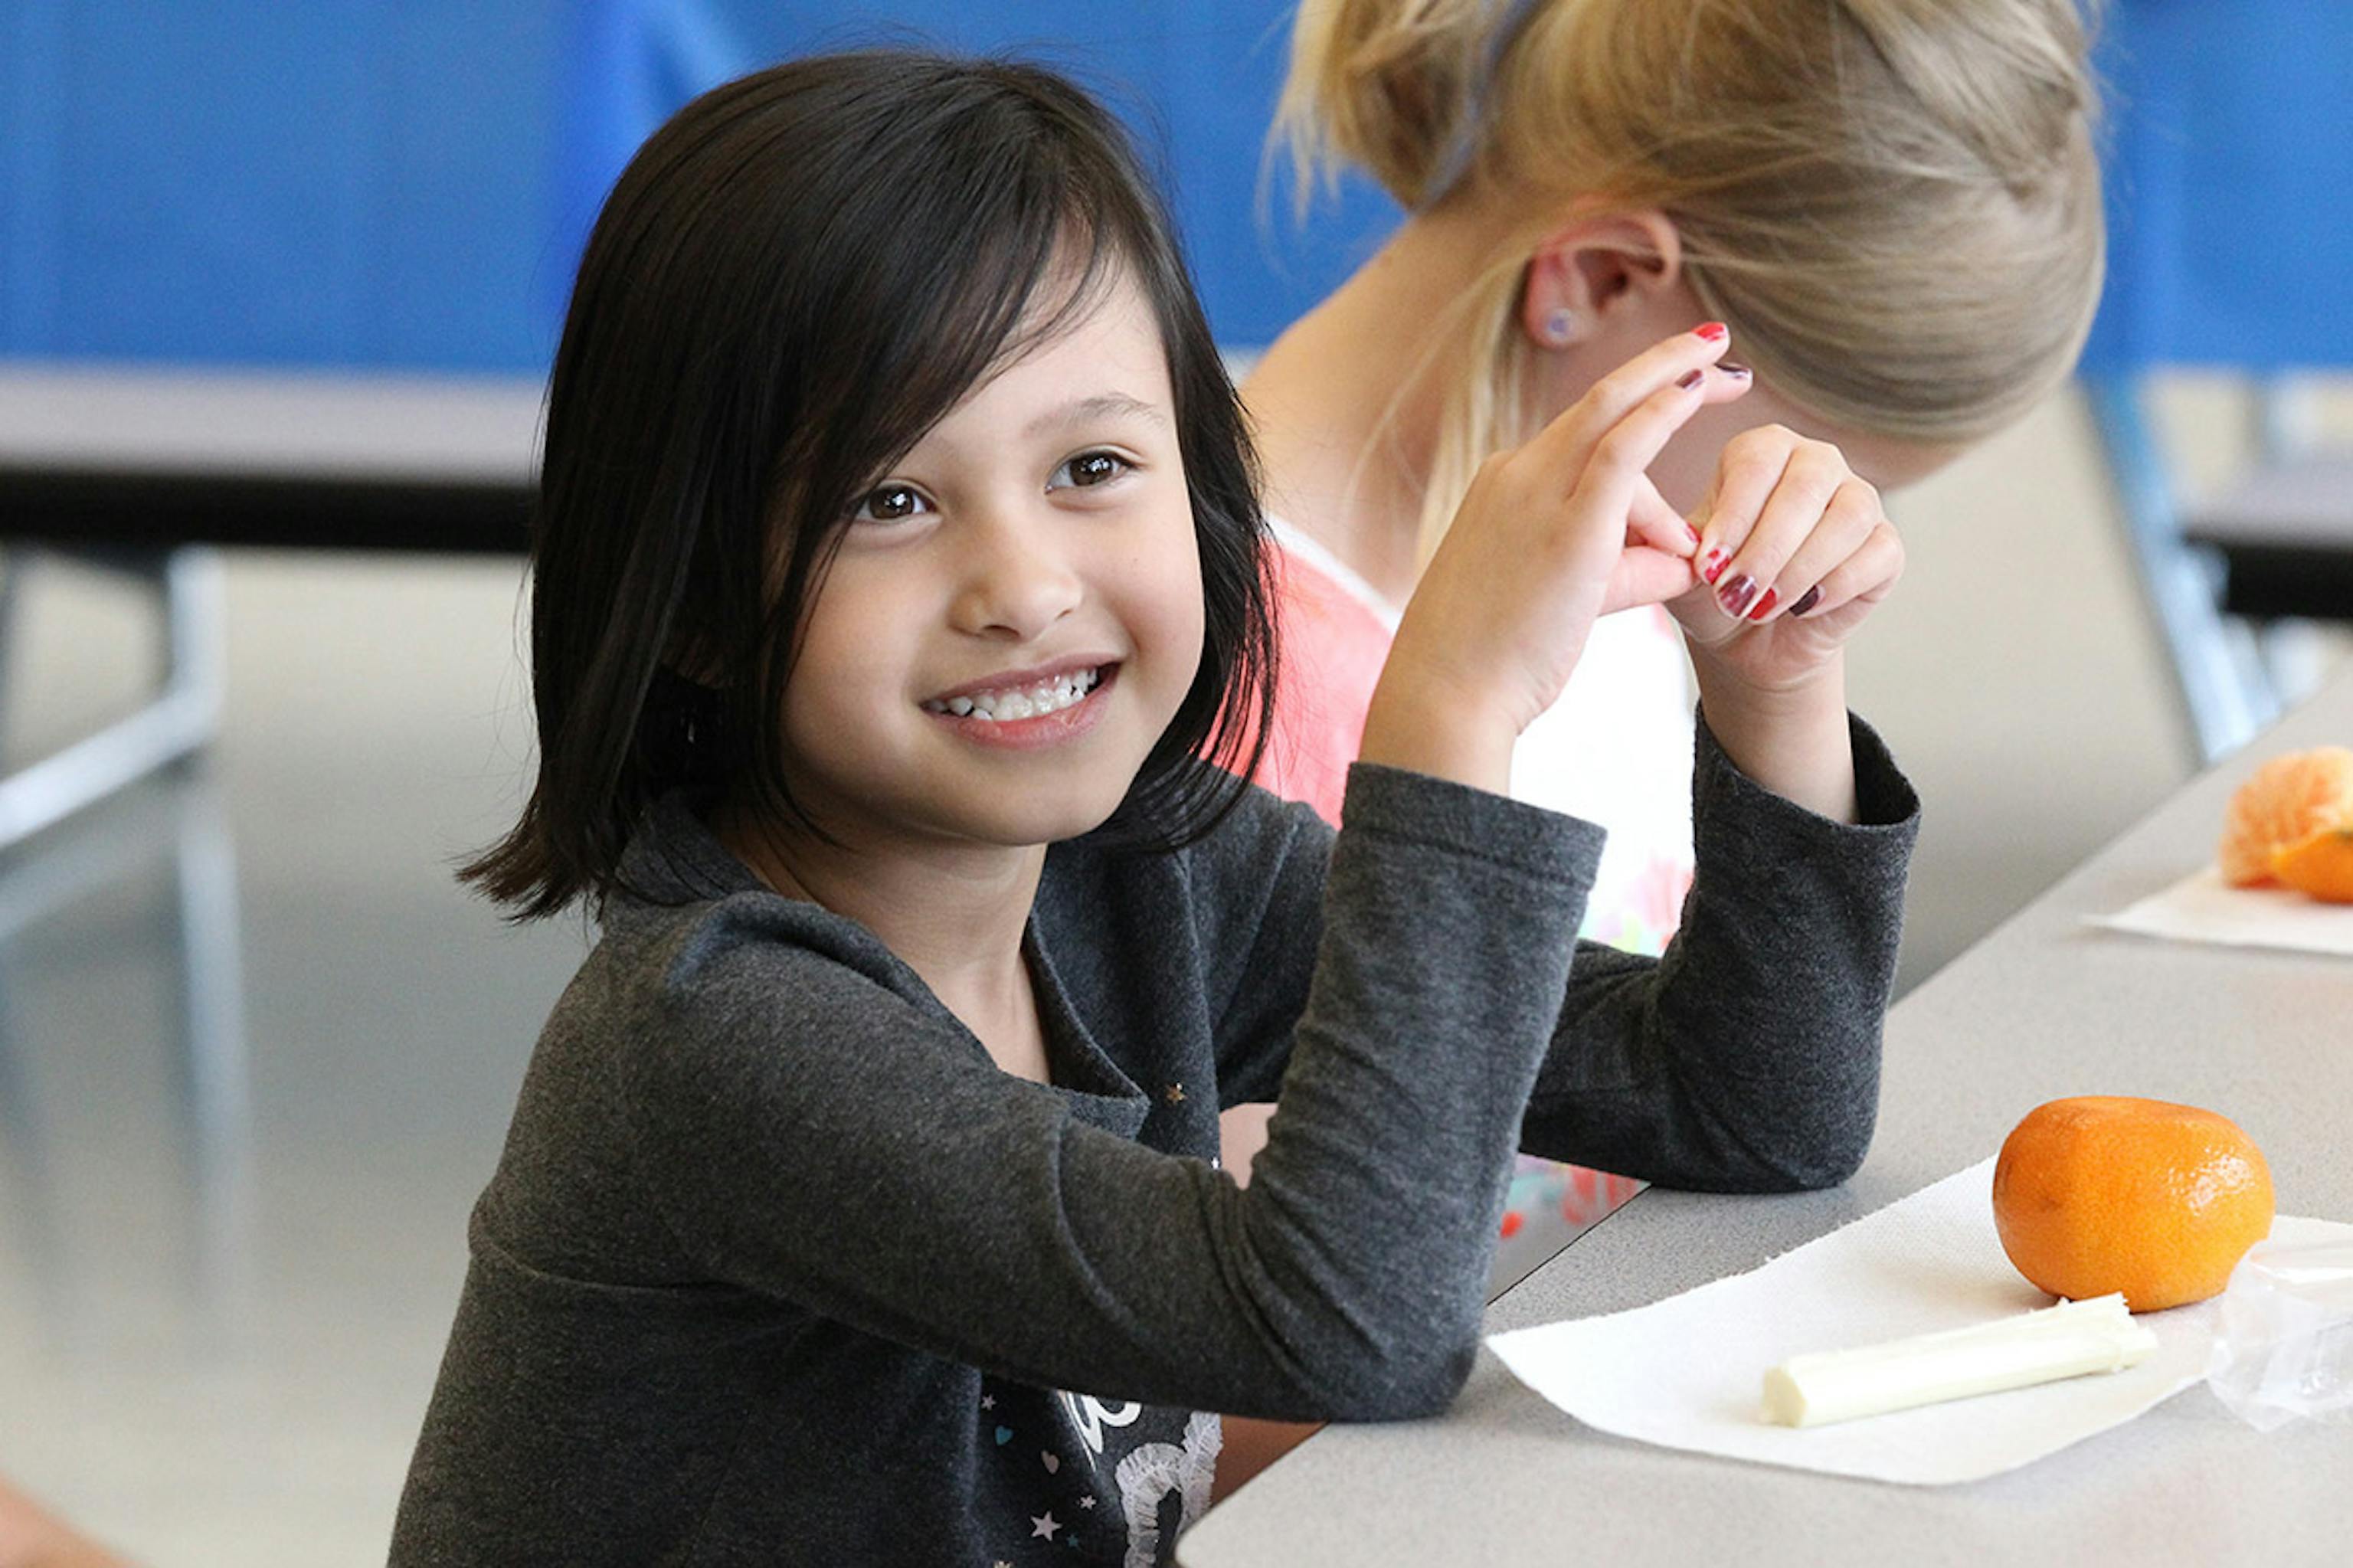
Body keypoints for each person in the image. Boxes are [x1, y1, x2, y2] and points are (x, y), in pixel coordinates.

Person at [388, 50, 1920, 1565]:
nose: (1026, 588)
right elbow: (1345, 1329)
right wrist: (1450, 711)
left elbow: (1751, 1107)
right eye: (890, 502)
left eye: (1094, 463)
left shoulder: (1157, 867)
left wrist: (1773, 686)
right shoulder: (720, 1037)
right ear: (696, 603)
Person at [1218, 0, 2105, 1285]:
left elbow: (1762, 1110)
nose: (1832, 517)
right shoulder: (1207, 682)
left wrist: (1779, 691)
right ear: (1603, 280)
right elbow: (1274, 1330)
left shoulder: (1599, 559)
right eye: (1829, 456)